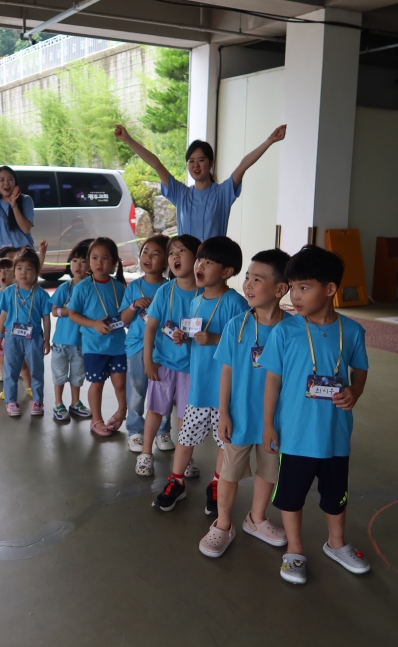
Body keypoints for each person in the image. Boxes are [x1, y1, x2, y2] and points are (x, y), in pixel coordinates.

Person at [259, 245, 370, 585]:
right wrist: (267, 424)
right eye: (292, 287)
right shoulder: (285, 331)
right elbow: (272, 380)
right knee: (291, 496)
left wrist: (356, 391)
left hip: (336, 436)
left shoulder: (351, 331)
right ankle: (294, 549)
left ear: (330, 289)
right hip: (295, 435)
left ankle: (336, 544)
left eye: (303, 287)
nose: (294, 295)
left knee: (336, 497)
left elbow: (360, 369)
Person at [199, 249, 292, 558]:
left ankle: (257, 518)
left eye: (257, 279)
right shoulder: (236, 326)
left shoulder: (291, 330)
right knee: (229, 473)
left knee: (269, 471)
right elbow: (225, 372)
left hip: (275, 421)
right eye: (247, 277)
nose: (248, 284)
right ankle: (223, 524)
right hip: (239, 416)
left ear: (280, 290)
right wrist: (223, 412)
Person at [153, 236, 247, 514]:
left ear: (227, 272)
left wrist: (216, 337)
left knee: (223, 442)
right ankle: (176, 481)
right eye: (199, 260)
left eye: (208, 261)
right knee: (185, 437)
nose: (199, 265)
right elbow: (196, 338)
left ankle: (216, 484)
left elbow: (245, 344)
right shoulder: (195, 302)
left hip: (224, 393)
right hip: (199, 388)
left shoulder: (235, 303)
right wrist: (185, 337)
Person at [114, 124, 287, 241]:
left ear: (211, 163)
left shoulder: (222, 193)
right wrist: (128, 139)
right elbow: (156, 163)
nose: (195, 165)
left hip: (213, 269)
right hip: (185, 268)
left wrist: (269, 141)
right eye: (191, 161)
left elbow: (243, 165)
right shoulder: (181, 194)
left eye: (201, 160)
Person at [137, 234, 201, 477]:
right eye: (172, 252)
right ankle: (145, 454)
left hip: (192, 367)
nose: (175, 256)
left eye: (182, 251)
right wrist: (148, 361)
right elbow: (151, 327)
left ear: (198, 260)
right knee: (155, 409)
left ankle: (185, 459)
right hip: (164, 364)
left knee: (188, 415)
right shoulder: (165, 291)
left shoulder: (205, 294)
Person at [66, 237, 128, 437]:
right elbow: (73, 314)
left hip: (118, 344)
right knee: (97, 383)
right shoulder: (83, 287)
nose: (99, 263)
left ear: (113, 262)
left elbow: (125, 313)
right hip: (93, 345)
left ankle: (121, 411)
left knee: (120, 382)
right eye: (94, 258)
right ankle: (96, 420)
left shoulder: (119, 286)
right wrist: (93, 324)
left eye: (104, 258)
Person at [119, 234, 171, 453]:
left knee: (163, 390)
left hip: (163, 348)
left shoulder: (170, 288)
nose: (148, 257)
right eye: (145, 252)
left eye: (156, 254)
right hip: (136, 347)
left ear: (167, 260)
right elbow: (122, 319)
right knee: (137, 388)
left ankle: (163, 431)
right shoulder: (133, 287)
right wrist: (133, 306)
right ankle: (135, 430)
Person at [0, 248, 52, 417]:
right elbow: (3, 315)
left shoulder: (41, 294)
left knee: (36, 369)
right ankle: (11, 401)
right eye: (19, 268)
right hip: (12, 337)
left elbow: (46, 318)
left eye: (28, 269)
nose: (23, 273)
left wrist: (46, 340)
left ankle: (38, 401)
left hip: (34, 338)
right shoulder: (9, 292)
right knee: (11, 369)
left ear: (36, 271)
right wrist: (0, 334)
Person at [49, 239, 93, 422]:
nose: (78, 265)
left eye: (83, 261)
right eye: (75, 260)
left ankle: (75, 403)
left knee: (77, 375)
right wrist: (70, 312)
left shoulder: (92, 288)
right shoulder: (64, 287)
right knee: (59, 375)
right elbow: (54, 311)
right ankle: (58, 403)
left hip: (81, 343)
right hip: (60, 342)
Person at [0, 165, 35, 251]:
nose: (6, 183)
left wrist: (14, 205)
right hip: (3, 256)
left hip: (24, 254)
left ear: (15, 182)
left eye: (10, 179)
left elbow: (26, 229)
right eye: (1, 180)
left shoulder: (26, 200)